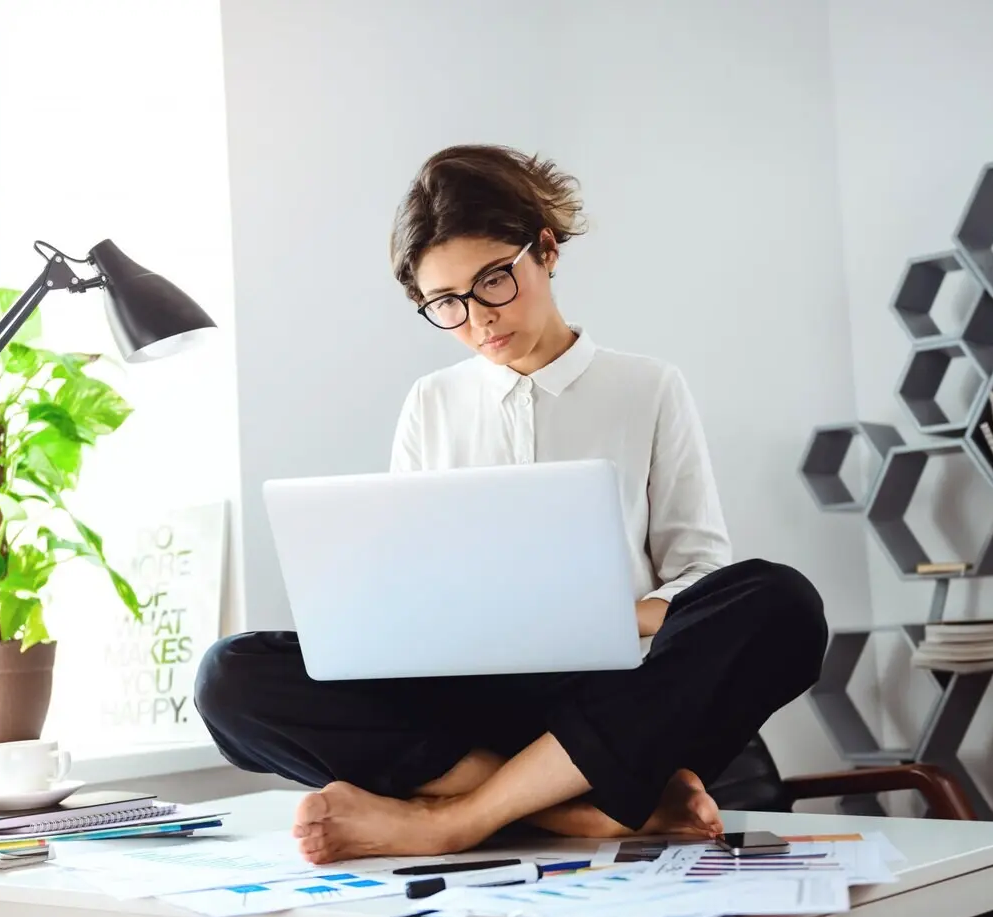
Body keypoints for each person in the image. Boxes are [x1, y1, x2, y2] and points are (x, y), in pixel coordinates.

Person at [194, 144, 828, 865]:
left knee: (782, 602)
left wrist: (598, 620)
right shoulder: (431, 403)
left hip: (614, 701)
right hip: (475, 704)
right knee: (229, 675)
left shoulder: (646, 387)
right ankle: (582, 814)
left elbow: (700, 577)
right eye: (447, 303)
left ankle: (452, 820)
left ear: (546, 250)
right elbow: (408, 581)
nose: (479, 319)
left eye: (494, 280)